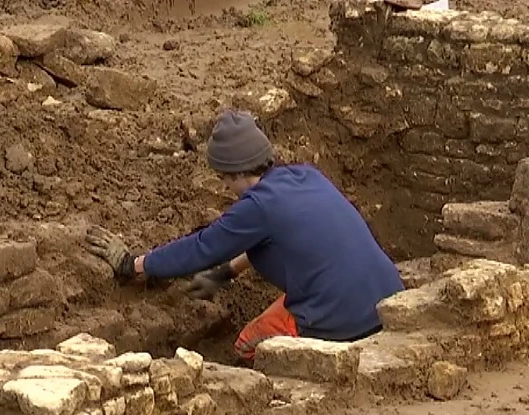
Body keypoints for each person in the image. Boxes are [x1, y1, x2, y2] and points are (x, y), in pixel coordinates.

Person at [86, 110, 405, 362]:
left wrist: (132, 263)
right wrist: (227, 272)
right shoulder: (307, 176)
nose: (226, 187)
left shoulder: (258, 206)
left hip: (341, 318)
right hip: (386, 300)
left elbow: (201, 249)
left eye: (224, 179)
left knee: (247, 345)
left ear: (236, 173)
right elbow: (279, 240)